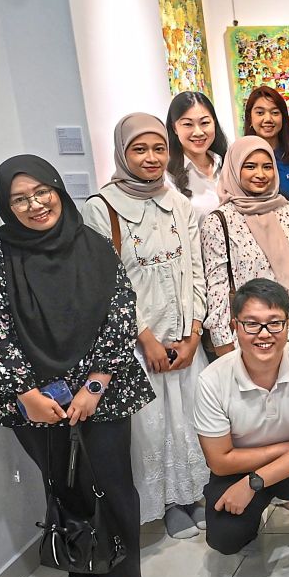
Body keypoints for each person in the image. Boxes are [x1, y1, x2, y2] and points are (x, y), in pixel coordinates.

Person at [0, 155, 154, 577]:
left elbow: (120, 310)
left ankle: (122, 563)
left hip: (102, 387)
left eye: (41, 192)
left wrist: (95, 384)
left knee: (112, 477)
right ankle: (81, 558)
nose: (35, 205)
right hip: (36, 395)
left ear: (57, 188)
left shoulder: (91, 243)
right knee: (62, 480)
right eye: (19, 199)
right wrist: (26, 393)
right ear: (5, 205)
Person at [82, 113, 210, 540]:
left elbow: (196, 271)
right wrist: (148, 339)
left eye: (158, 148)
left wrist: (194, 334)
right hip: (140, 344)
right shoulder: (101, 209)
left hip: (184, 337)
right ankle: (170, 503)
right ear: (123, 153)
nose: (151, 158)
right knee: (154, 429)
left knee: (193, 418)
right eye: (140, 149)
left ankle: (197, 493)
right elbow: (107, 284)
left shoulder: (179, 203)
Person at [194, 279, 289, 572]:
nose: (264, 334)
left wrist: (255, 481)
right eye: (252, 324)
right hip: (239, 468)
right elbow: (220, 462)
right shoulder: (212, 380)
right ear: (236, 327)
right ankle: (250, 524)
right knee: (225, 539)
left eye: (275, 323)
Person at [201, 136, 289, 354]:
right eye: (250, 166)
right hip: (250, 333)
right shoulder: (219, 221)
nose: (261, 175)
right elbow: (217, 287)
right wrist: (222, 343)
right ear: (234, 169)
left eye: (267, 167)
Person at [165, 91, 229, 219]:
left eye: (205, 123)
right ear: (174, 128)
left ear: (214, 123)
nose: (198, 132)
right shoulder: (167, 177)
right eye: (188, 124)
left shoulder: (228, 163)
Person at [243, 85, 289, 210]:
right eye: (260, 113)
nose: (268, 119)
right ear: (250, 117)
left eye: (275, 112)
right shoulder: (240, 159)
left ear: (283, 117)